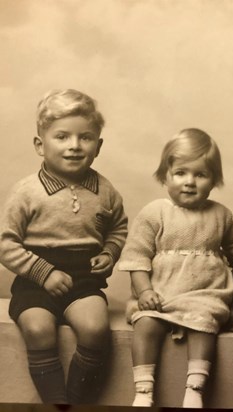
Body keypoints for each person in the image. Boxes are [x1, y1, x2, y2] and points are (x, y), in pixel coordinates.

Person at [118, 128, 233, 408]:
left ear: (214, 180)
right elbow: (138, 258)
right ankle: (143, 391)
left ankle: (195, 389)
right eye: (180, 173)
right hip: (161, 292)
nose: (189, 182)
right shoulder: (155, 213)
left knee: (204, 325)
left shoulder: (220, 214)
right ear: (165, 175)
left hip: (204, 292)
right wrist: (144, 291)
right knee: (145, 323)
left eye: (200, 175)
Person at [0, 89, 128, 404]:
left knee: (96, 328)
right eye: (62, 137)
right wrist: (44, 274)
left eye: (85, 138)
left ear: (97, 147)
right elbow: (5, 243)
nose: (74, 146)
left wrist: (109, 253)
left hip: (84, 281)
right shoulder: (27, 192)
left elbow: (119, 228)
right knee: (38, 328)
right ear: (40, 145)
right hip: (35, 283)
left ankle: (76, 402)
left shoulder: (105, 190)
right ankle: (55, 403)